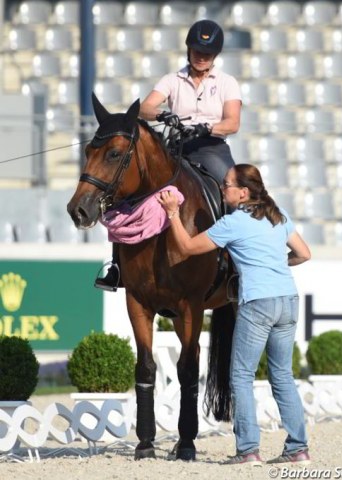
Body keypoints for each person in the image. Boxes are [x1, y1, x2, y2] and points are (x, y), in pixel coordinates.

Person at [157, 163, 311, 466]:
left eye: (227, 184)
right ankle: (298, 449)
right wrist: (276, 266)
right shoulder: (278, 216)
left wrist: (173, 212)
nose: (222, 188)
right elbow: (305, 254)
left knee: (241, 376)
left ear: (243, 192)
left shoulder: (233, 223)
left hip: (258, 302)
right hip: (288, 299)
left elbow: (187, 247)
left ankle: (248, 450)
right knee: (283, 376)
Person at [95, 19, 242, 290]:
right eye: (197, 50)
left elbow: (232, 123)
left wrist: (206, 126)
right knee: (128, 194)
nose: (201, 56)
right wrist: (164, 114)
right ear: (189, 50)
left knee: (235, 197)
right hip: (175, 148)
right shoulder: (172, 79)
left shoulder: (227, 83)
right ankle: (117, 266)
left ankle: (235, 268)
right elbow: (144, 108)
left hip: (211, 147)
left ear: (215, 56)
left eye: (206, 53)